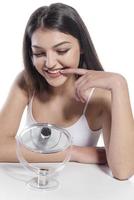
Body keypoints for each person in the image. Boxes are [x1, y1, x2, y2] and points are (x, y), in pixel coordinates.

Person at [0, 2, 134, 180]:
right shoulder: (27, 81)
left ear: (82, 48)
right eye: (39, 53)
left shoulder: (101, 96)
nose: (50, 63)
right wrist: (74, 153)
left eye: (61, 50)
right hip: (31, 187)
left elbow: (123, 171)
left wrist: (119, 84)